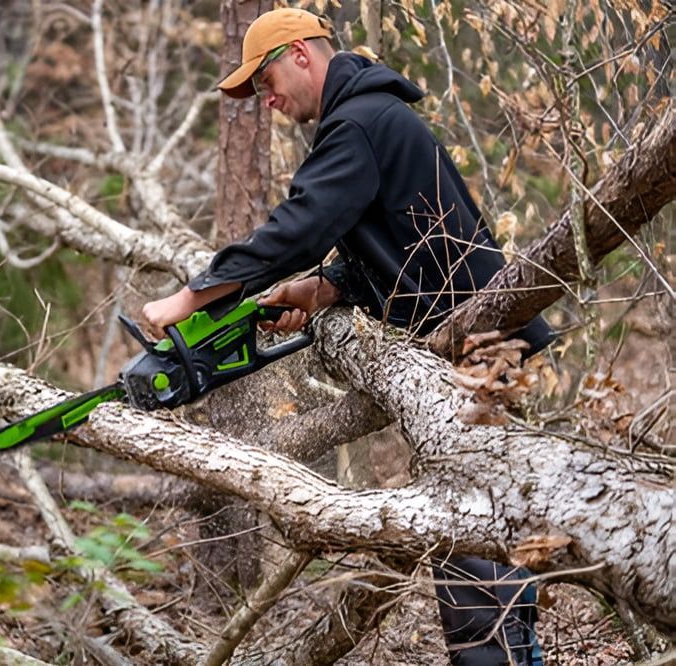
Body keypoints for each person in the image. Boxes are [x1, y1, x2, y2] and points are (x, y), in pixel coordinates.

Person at [142, 8, 550, 665]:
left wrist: (191, 296)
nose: (267, 100)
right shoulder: (369, 119)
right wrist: (325, 288)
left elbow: (299, 227)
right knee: (485, 542)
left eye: (268, 79)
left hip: (478, 350)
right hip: (471, 342)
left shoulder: (359, 123)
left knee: (475, 558)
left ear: (302, 54)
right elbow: (402, 243)